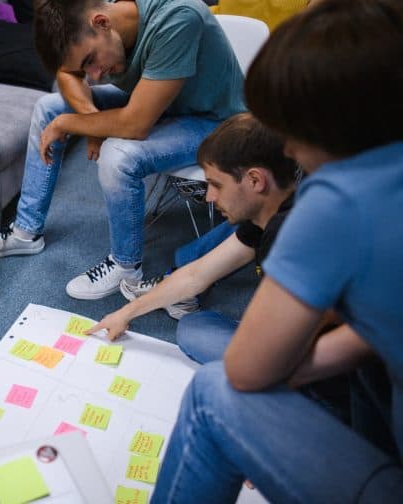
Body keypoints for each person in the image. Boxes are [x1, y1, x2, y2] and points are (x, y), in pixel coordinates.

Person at [152, 0, 403, 502]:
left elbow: (245, 372)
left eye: (291, 129)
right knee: (199, 325)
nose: (288, 149)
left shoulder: (333, 202)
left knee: (212, 392)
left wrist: (278, 388)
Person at [0, 0, 246, 300]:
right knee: (49, 107)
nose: (95, 75)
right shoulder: (101, 27)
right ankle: (26, 232)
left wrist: (73, 123)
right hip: (158, 103)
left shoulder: (178, 18)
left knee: (118, 154)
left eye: (91, 60)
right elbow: (67, 72)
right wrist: (90, 120)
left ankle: (126, 266)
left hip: (214, 122)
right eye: (86, 67)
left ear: (102, 23)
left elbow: (136, 124)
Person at [87, 113, 297, 364]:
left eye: (216, 185)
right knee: (194, 326)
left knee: (204, 348)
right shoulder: (264, 218)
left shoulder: (291, 238)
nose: (209, 197)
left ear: (255, 180)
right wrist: (125, 314)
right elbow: (196, 275)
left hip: (304, 357)